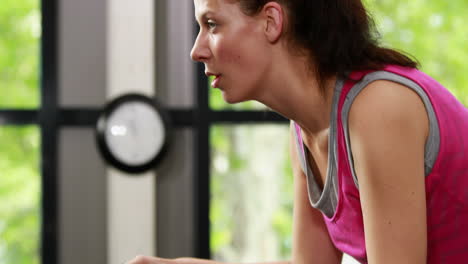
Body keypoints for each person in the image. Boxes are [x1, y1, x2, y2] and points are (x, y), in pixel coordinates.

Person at [127, 0, 468, 263]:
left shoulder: (378, 107)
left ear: (271, 21)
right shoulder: (304, 130)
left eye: (212, 24)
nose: (196, 50)